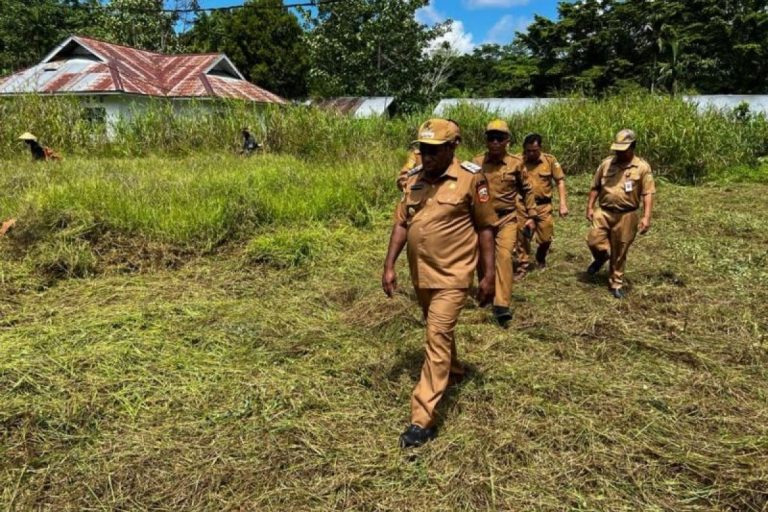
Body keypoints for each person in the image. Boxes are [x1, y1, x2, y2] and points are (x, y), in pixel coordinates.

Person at [382, 118, 496, 448]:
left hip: (453, 277)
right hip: (422, 274)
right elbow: (402, 223)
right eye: (423, 149)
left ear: (452, 147)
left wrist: (488, 275)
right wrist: (389, 265)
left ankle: (422, 419)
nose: (427, 156)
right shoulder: (414, 179)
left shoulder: (472, 179)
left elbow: (485, 228)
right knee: (439, 331)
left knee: (436, 335)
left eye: (434, 150)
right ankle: (455, 370)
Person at [471, 120, 536, 327]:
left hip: (507, 218)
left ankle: (501, 305)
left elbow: (527, 190)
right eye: (491, 138)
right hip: (482, 220)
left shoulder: (516, 164)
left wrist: (532, 216)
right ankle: (486, 293)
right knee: (482, 258)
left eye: (500, 138)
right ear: (486, 140)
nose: (495, 142)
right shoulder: (476, 163)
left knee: (504, 256)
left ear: (507, 140)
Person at [586, 129, 656, 299]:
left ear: (632, 147)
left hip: (627, 215)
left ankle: (616, 283)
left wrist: (646, 217)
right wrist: (590, 206)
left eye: (623, 149)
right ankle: (602, 256)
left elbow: (648, 193)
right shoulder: (606, 164)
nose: (619, 153)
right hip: (604, 211)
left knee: (620, 250)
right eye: (617, 149)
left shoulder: (642, 167)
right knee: (593, 240)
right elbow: (595, 186)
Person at [514, 133, 569, 279]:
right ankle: (522, 266)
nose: (531, 154)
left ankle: (540, 256)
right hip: (522, 205)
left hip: (543, 206)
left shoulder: (550, 161)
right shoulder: (517, 161)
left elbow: (560, 181)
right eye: (528, 151)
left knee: (546, 238)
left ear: (540, 148)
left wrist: (562, 204)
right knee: (522, 238)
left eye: (534, 150)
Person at [397, 119, 461, 191]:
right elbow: (404, 174)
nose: (426, 158)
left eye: (433, 150)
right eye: (423, 149)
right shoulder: (416, 155)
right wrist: (408, 185)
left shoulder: (462, 174)